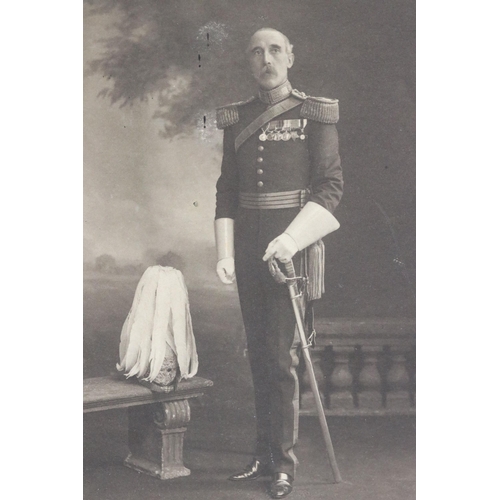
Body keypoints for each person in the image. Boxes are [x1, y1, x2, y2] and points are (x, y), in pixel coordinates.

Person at [214, 27, 343, 499]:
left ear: (290, 56)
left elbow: (329, 188)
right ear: (249, 62)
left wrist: (290, 240)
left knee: (282, 358)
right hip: (248, 250)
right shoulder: (237, 119)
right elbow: (227, 189)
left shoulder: (315, 114)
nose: (265, 58)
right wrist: (225, 252)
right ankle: (263, 453)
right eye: (256, 52)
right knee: (259, 356)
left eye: (274, 50)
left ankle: (285, 465)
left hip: (291, 250)